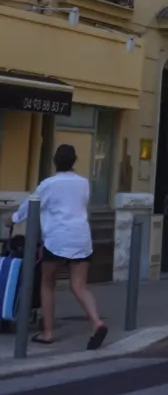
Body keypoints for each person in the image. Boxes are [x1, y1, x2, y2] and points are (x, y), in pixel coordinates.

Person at [13, 144, 107, 349]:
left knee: (47, 284)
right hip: (81, 237)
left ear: (55, 161)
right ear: (74, 161)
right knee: (79, 285)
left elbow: (30, 205)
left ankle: (48, 333)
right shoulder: (83, 183)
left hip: (57, 239)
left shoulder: (48, 184)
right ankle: (97, 322)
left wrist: (12, 218)